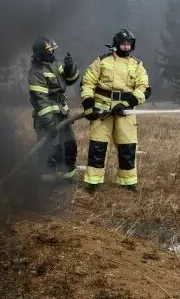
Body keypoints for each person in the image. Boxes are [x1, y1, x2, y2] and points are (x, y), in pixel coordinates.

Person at [80, 29, 149, 192]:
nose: (127, 47)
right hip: (101, 111)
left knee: (127, 147)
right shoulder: (102, 61)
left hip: (125, 112)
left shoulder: (137, 65)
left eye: (129, 44)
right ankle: (93, 182)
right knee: (98, 146)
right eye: (124, 44)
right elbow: (87, 83)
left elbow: (144, 88)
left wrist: (127, 103)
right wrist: (89, 105)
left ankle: (128, 182)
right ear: (116, 44)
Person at [27, 36, 79, 182]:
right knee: (50, 148)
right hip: (47, 117)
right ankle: (48, 181)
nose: (52, 53)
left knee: (68, 145)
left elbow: (70, 80)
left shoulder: (55, 64)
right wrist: (49, 122)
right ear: (41, 54)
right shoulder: (36, 72)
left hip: (62, 113)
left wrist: (70, 68)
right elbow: (40, 100)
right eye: (48, 51)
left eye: (52, 50)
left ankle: (67, 176)